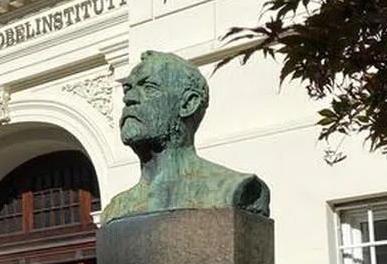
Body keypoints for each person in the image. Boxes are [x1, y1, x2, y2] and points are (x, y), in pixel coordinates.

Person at [102, 50, 270, 222]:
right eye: (127, 89)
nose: (129, 99)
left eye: (149, 88)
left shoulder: (234, 189)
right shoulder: (116, 209)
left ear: (189, 104)